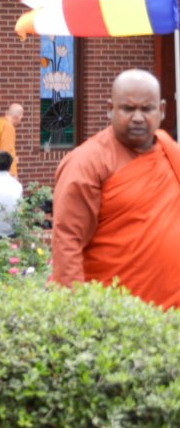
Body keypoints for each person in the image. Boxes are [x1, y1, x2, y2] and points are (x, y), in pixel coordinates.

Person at [52, 69, 180, 310]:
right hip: (115, 316)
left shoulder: (169, 149)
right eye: (128, 109)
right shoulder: (87, 162)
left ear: (162, 110)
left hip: (172, 314)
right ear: (110, 109)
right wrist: (72, 310)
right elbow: (67, 240)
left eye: (147, 109)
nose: (138, 118)